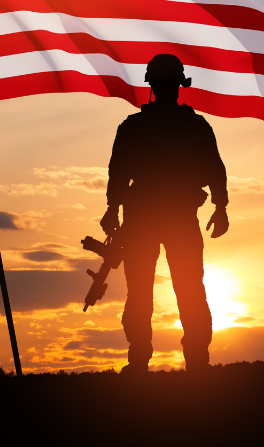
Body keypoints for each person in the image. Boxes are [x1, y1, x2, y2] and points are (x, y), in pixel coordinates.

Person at [100, 54, 229, 373]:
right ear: (177, 86)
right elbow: (215, 170)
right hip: (171, 218)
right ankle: (189, 360)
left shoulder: (135, 127)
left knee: (154, 290)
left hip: (149, 218)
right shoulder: (194, 126)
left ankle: (150, 358)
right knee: (180, 289)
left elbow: (118, 174)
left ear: (152, 86)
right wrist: (221, 207)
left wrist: (112, 208)